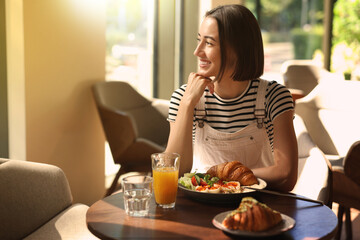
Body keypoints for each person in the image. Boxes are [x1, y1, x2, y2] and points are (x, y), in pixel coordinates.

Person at [165, 4, 298, 192]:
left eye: (209, 43)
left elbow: (286, 174)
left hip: (255, 207)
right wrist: (187, 104)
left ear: (237, 49)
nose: (197, 51)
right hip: (201, 207)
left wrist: (224, 180)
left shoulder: (273, 96)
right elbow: (172, 172)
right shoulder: (184, 97)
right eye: (199, 40)